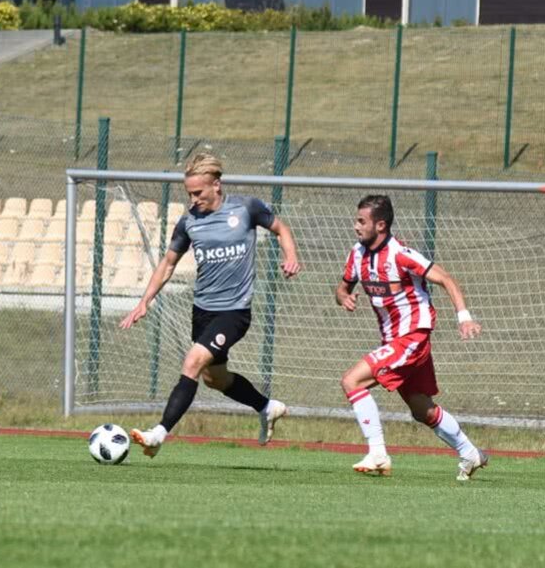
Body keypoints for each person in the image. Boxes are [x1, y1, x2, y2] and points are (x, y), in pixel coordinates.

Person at [121, 154, 300, 457]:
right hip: (203, 311)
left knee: (192, 362)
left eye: (198, 193)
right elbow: (168, 264)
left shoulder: (246, 208)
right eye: (188, 193)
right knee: (214, 378)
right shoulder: (189, 222)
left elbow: (281, 228)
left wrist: (291, 256)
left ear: (216, 185)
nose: (193, 199)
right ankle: (267, 407)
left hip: (234, 312)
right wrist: (144, 301)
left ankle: (158, 434)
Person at [334, 195, 488, 480]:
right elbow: (341, 288)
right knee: (422, 409)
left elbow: (446, 279)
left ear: (380, 225)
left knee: (351, 380)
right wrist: (343, 297)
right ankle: (470, 453)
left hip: (412, 336)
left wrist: (464, 317)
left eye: (361, 221)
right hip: (393, 340)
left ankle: (378, 453)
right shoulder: (357, 254)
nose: (355, 226)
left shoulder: (401, 254)